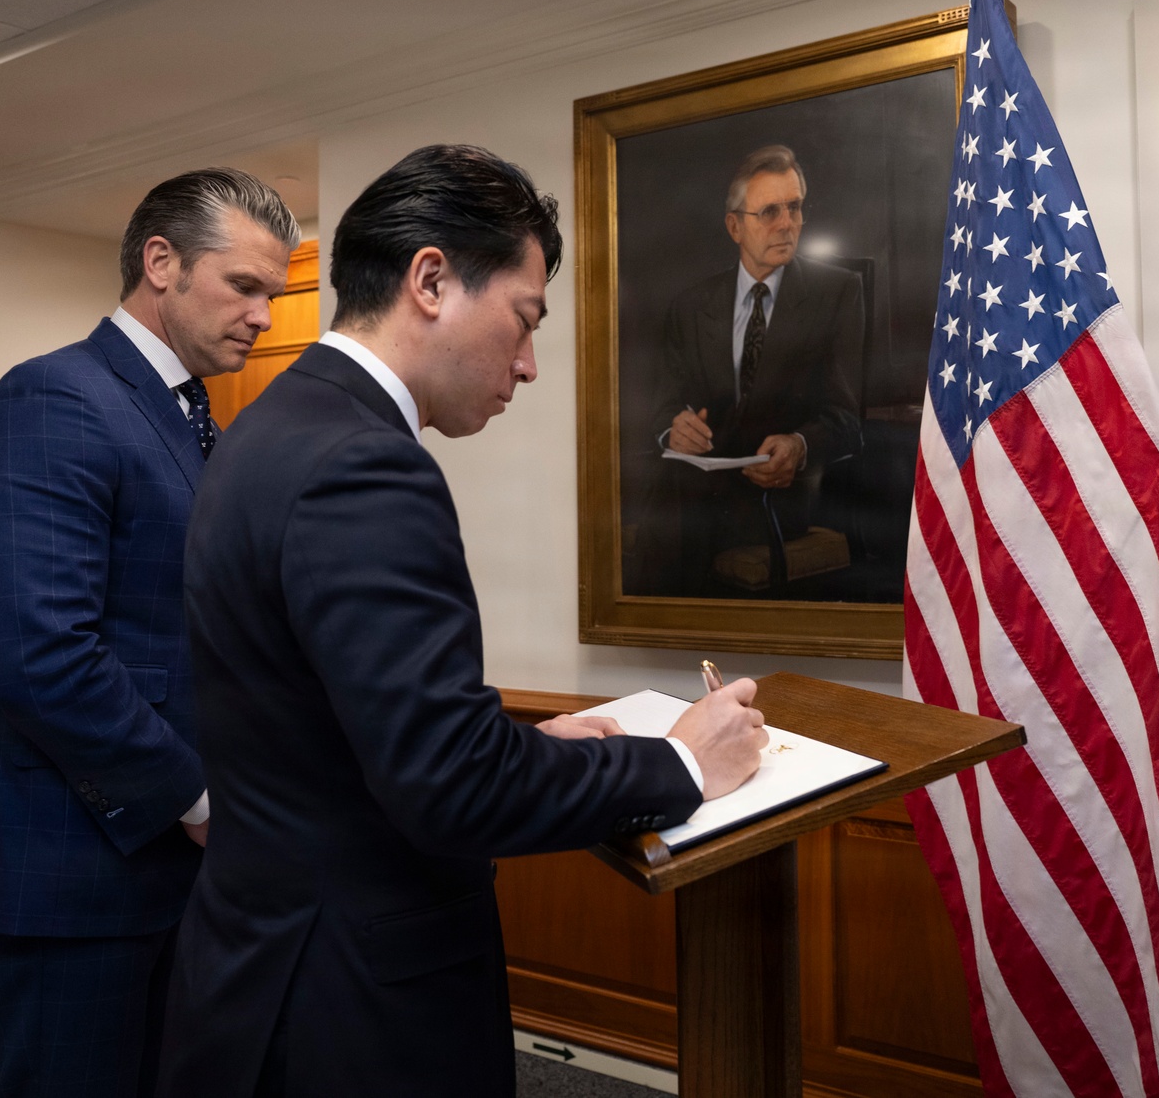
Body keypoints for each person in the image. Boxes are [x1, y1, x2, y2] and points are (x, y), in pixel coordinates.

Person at [158, 144, 767, 1098]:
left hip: (264, 960)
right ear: (431, 280)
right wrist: (682, 764)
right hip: (350, 1005)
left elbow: (343, 729)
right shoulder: (364, 464)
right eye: (524, 319)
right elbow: (451, 784)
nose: (528, 365)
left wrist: (527, 747)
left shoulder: (269, 429)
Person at [0, 168, 300, 1098]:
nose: (262, 316)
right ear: (161, 262)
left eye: (271, 294)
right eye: (243, 286)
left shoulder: (190, 415)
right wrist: (198, 801)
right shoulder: (54, 398)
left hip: (167, 865)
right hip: (76, 867)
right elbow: (40, 654)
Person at [639, 144, 864, 595]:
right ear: (734, 226)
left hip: (780, 499)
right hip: (697, 495)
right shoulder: (691, 306)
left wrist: (799, 446)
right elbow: (663, 406)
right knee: (665, 515)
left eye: (794, 208)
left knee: (670, 530)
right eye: (769, 212)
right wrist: (672, 431)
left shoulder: (837, 294)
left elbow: (847, 420)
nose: (786, 223)